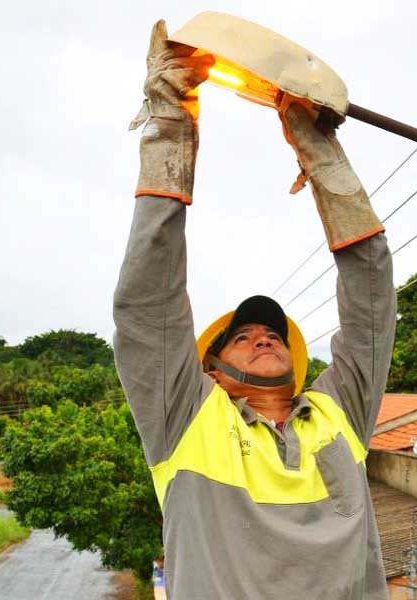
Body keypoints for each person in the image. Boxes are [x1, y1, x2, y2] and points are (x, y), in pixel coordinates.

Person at [113, 20, 395, 599]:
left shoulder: (339, 416)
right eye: (242, 337)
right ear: (211, 372)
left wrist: (317, 147)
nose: (263, 336)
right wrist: (171, 121)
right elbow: (149, 303)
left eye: (270, 332)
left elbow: (372, 301)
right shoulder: (188, 420)